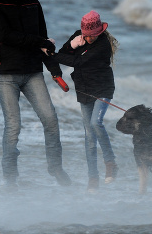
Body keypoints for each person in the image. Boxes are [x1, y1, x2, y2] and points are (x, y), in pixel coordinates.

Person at [0, 0, 71, 188]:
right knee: (14, 126)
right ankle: (10, 177)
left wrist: (54, 70)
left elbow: (43, 41)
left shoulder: (33, 4)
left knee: (50, 120)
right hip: (6, 74)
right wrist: (39, 41)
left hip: (33, 72)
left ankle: (56, 168)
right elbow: (4, 36)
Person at [54, 10, 119, 193]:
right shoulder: (79, 36)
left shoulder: (103, 45)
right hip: (84, 90)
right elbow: (64, 52)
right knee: (89, 137)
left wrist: (57, 54)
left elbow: (76, 62)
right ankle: (93, 178)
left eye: (92, 36)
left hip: (102, 88)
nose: (88, 39)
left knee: (96, 123)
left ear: (99, 32)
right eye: (86, 35)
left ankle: (110, 163)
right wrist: (72, 45)